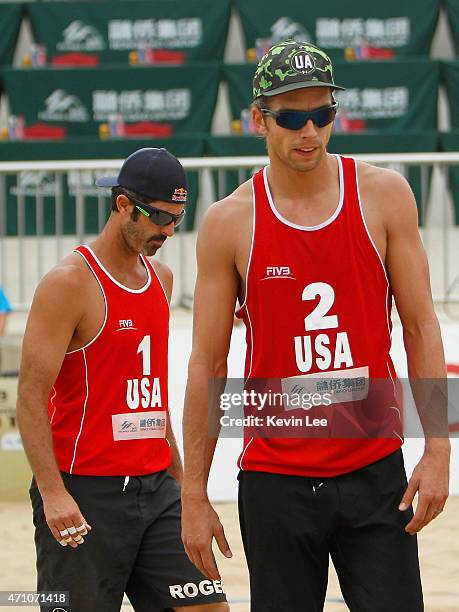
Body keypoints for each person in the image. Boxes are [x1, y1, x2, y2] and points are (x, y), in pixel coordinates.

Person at [181, 41, 450, 611]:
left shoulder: (384, 194)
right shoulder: (230, 222)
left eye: (322, 113)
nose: (309, 130)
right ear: (259, 119)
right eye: (291, 116)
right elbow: (207, 362)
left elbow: (421, 327)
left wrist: (437, 449)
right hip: (275, 477)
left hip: (373, 466)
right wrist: (194, 494)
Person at [16, 148, 228, 612]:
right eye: (159, 218)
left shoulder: (162, 279)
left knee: (206, 607)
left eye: (177, 218)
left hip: (156, 488)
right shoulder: (69, 283)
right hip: (84, 492)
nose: (169, 231)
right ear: (123, 205)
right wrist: (53, 494)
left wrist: (180, 477)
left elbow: (148, 388)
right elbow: (30, 398)